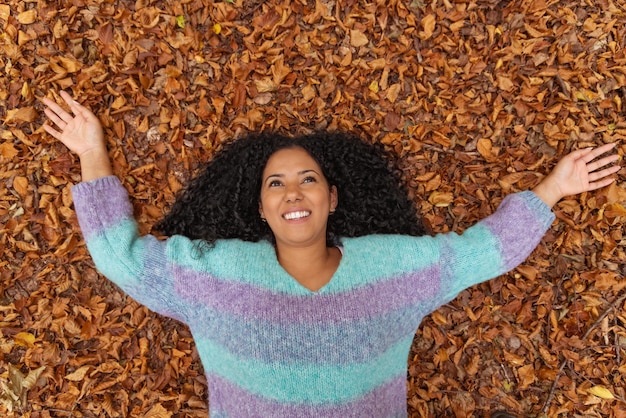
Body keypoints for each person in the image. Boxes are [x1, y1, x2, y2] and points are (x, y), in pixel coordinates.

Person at [42, 90, 620, 417]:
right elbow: (120, 258)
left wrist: (552, 190)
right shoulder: (215, 274)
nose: (292, 192)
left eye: (307, 179)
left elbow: (479, 253)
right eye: (275, 185)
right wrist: (93, 153)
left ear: (333, 197)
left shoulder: (393, 269)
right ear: (262, 211)